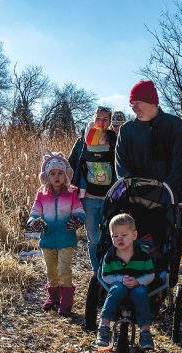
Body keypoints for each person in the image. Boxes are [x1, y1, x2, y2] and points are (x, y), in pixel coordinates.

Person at [115, 79, 182, 287]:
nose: (133, 107)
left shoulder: (174, 125)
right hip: (134, 200)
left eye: (137, 101)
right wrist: (131, 188)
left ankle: (165, 282)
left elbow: (179, 164)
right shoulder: (127, 131)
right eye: (131, 103)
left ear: (152, 101)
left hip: (169, 197)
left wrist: (166, 193)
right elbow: (121, 166)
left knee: (171, 240)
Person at [26, 151, 85, 316]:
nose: (57, 176)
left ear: (66, 175)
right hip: (48, 238)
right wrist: (33, 222)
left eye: (60, 173)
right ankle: (54, 297)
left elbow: (79, 210)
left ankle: (66, 301)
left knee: (63, 269)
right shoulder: (42, 195)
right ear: (47, 177)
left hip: (67, 238)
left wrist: (78, 219)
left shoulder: (71, 193)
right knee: (51, 269)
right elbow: (35, 212)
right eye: (52, 173)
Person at [68, 106, 117, 273]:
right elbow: (71, 162)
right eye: (98, 118)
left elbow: (120, 164)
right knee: (93, 237)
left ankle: (108, 266)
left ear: (110, 122)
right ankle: (96, 270)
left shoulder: (114, 139)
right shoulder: (83, 139)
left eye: (105, 119)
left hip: (108, 198)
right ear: (93, 118)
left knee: (110, 235)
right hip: (88, 196)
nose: (101, 122)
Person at [96, 213, 155, 350]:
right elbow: (106, 276)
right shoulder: (110, 255)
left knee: (140, 292)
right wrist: (120, 279)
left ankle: (145, 331)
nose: (119, 239)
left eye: (124, 235)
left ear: (134, 236)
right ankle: (104, 326)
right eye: (115, 236)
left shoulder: (143, 254)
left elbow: (150, 274)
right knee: (117, 289)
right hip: (119, 283)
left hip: (138, 284)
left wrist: (138, 281)